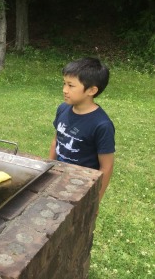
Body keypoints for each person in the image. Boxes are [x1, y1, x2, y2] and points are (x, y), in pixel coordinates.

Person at [49, 57, 115, 202]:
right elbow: (56, 141)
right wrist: (49, 172)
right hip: (58, 177)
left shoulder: (102, 125)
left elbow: (107, 166)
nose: (64, 90)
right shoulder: (63, 109)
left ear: (91, 90)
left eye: (71, 86)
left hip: (82, 186)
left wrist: (95, 201)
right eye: (64, 84)